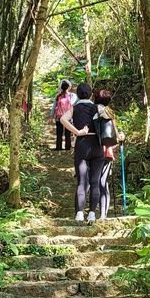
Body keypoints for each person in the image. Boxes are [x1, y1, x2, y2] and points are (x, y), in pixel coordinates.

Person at [59, 82, 103, 223]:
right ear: (91, 94)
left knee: (82, 182)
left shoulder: (75, 108)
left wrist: (78, 132)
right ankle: (91, 213)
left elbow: (62, 119)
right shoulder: (98, 108)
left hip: (82, 145)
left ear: (77, 94)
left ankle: (79, 213)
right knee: (95, 182)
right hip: (97, 146)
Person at [94, 88, 124, 219]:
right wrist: (121, 137)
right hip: (106, 151)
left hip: (92, 150)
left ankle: (90, 213)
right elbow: (116, 135)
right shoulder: (109, 113)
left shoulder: (91, 110)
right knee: (103, 182)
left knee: (93, 181)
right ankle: (103, 214)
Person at [50, 79, 77, 150]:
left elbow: (54, 107)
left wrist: (51, 117)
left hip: (59, 117)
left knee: (59, 133)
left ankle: (58, 147)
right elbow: (72, 104)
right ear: (68, 87)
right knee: (68, 133)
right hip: (68, 117)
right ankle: (68, 147)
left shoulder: (58, 96)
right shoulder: (72, 95)